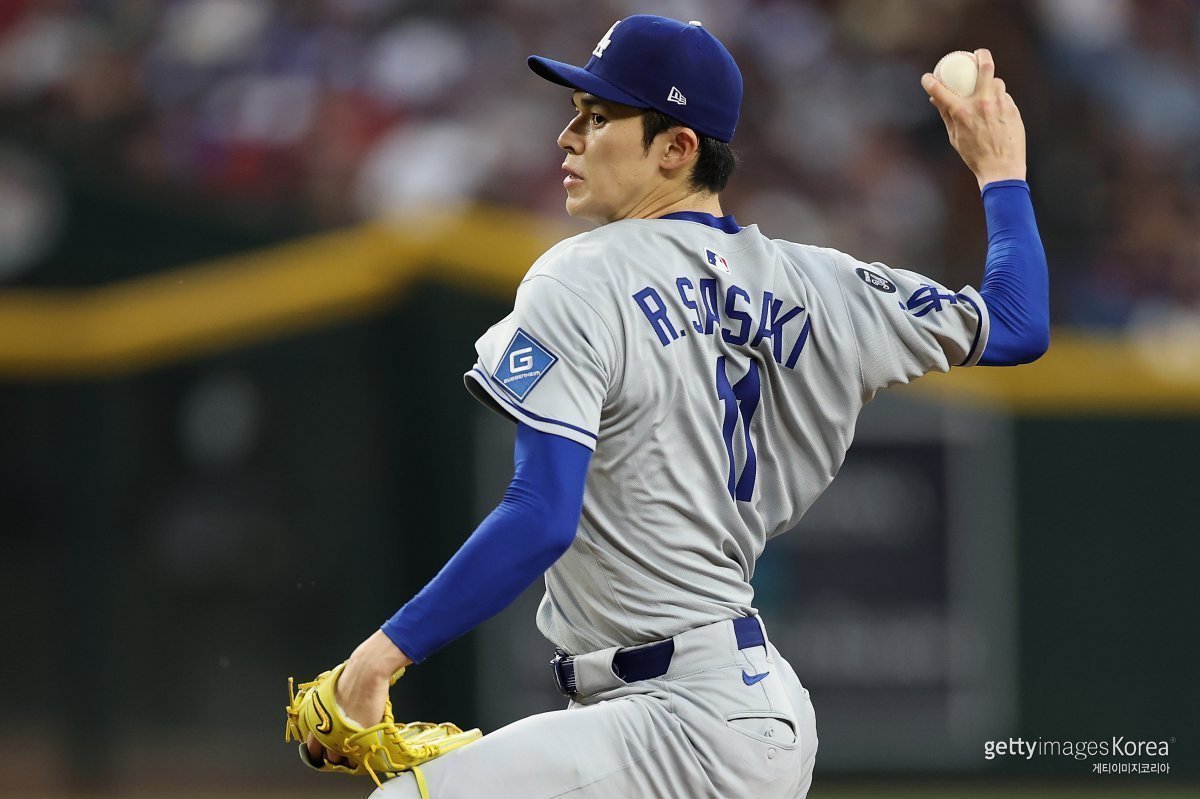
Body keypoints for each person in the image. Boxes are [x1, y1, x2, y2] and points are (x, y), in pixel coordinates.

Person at [306, 14, 1048, 799]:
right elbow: (1017, 322)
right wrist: (1001, 174)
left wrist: (376, 660)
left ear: (676, 148)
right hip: (744, 708)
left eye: (598, 117)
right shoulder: (826, 286)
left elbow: (541, 514)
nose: (568, 137)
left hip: (678, 719)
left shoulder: (580, 276)